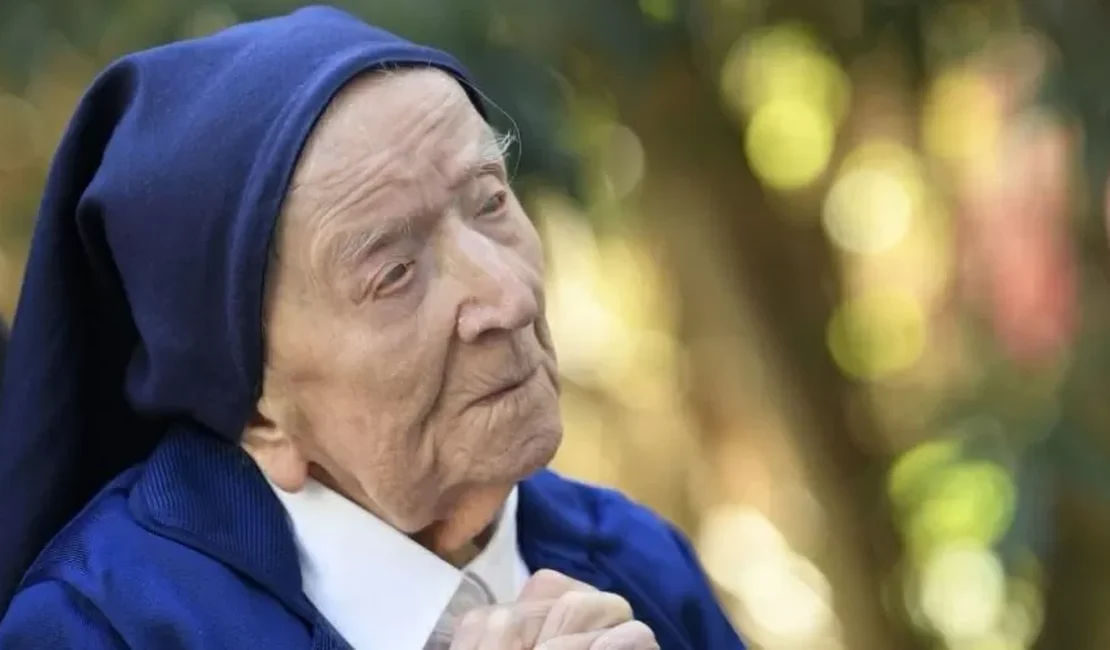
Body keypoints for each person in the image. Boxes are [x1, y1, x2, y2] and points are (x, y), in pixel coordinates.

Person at [0, 6, 743, 649]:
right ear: (257, 411)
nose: (509, 297)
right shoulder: (105, 630)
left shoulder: (634, 559)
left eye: (489, 202)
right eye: (393, 274)